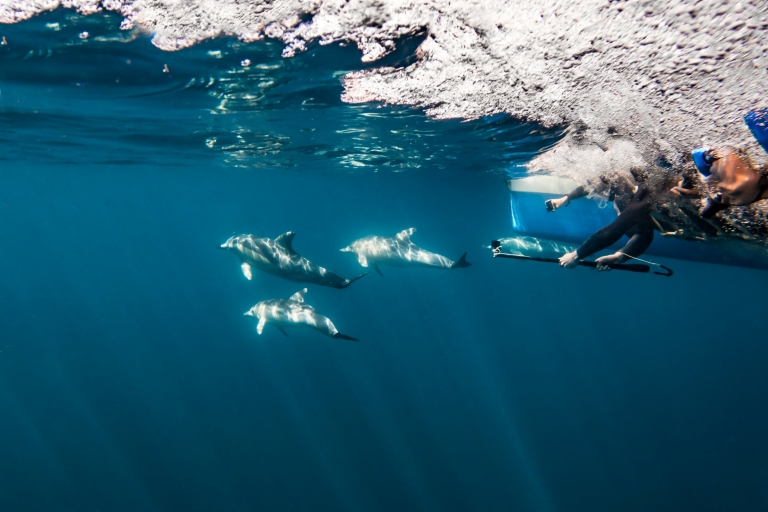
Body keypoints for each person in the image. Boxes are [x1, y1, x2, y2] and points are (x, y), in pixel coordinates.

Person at [680, 108, 768, 219]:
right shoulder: (736, 189)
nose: (721, 190)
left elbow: (697, 156)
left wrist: (707, 156)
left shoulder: (710, 177)